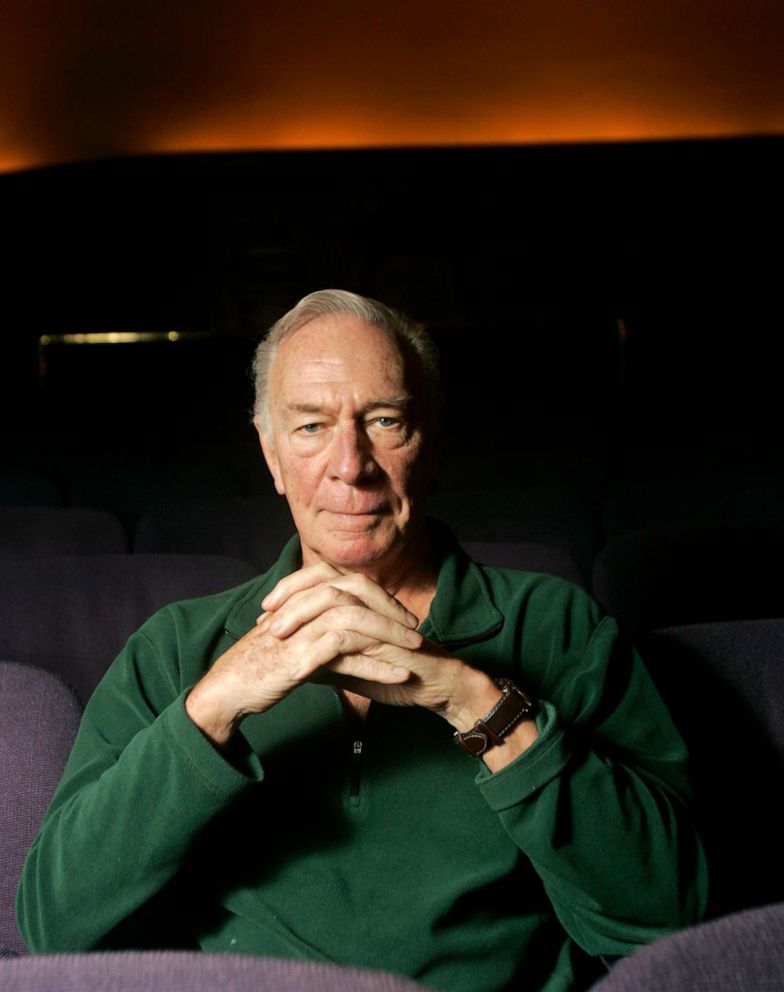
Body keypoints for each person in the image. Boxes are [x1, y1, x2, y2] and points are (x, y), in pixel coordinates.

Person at [17, 290, 707, 992]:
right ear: (272, 455)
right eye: (311, 427)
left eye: (384, 421)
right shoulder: (174, 647)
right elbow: (56, 926)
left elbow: (669, 915)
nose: (351, 465)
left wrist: (477, 702)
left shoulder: (559, 627)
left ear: (430, 440)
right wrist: (210, 713)